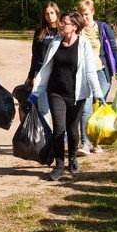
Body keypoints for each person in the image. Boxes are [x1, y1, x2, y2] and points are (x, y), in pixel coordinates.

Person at [29, 11, 104, 181]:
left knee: (72, 130)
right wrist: (36, 92)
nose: (61, 25)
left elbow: (91, 72)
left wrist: (98, 94)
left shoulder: (83, 44)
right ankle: (59, 165)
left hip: (77, 94)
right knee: (59, 129)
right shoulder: (55, 43)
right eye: (61, 22)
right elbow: (45, 68)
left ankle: (72, 159)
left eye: (65, 23)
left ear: (75, 27)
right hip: (56, 92)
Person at [76, 0, 117, 156]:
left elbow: (114, 50)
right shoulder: (77, 30)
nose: (84, 18)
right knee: (85, 108)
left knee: (98, 106)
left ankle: (97, 142)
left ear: (93, 12)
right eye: (81, 14)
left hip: (101, 72)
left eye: (86, 14)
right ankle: (85, 143)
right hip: (83, 74)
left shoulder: (103, 28)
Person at [23, 2, 60, 122]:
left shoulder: (62, 31)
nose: (49, 16)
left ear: (57, 13)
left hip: (57, 74)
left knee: (58, 108)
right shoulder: (40, 32)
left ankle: (61, 137)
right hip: (40, 74)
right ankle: (46, 138)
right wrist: (30, 76)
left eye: (52, 13)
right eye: (46, 14)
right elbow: (35, 56)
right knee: (44, 109)